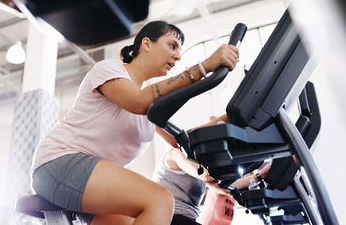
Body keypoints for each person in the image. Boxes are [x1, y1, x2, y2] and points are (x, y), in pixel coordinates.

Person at [30, 20, 239, 225]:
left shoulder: (150, 104)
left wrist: (230, 118)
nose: (178, 55)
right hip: (59, 164)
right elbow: (137, 101)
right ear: (146, 43)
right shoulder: (110, 70)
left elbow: (182, 141)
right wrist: (202, 68)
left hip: (90, 182)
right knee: (159, 199)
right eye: (172, 45)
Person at [153, 115, 271, 225]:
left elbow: (226, 188)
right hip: (171, 218)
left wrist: (261, 175)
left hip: (186, 219)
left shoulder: (200, 163)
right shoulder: (175, 155)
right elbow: (207, 177)